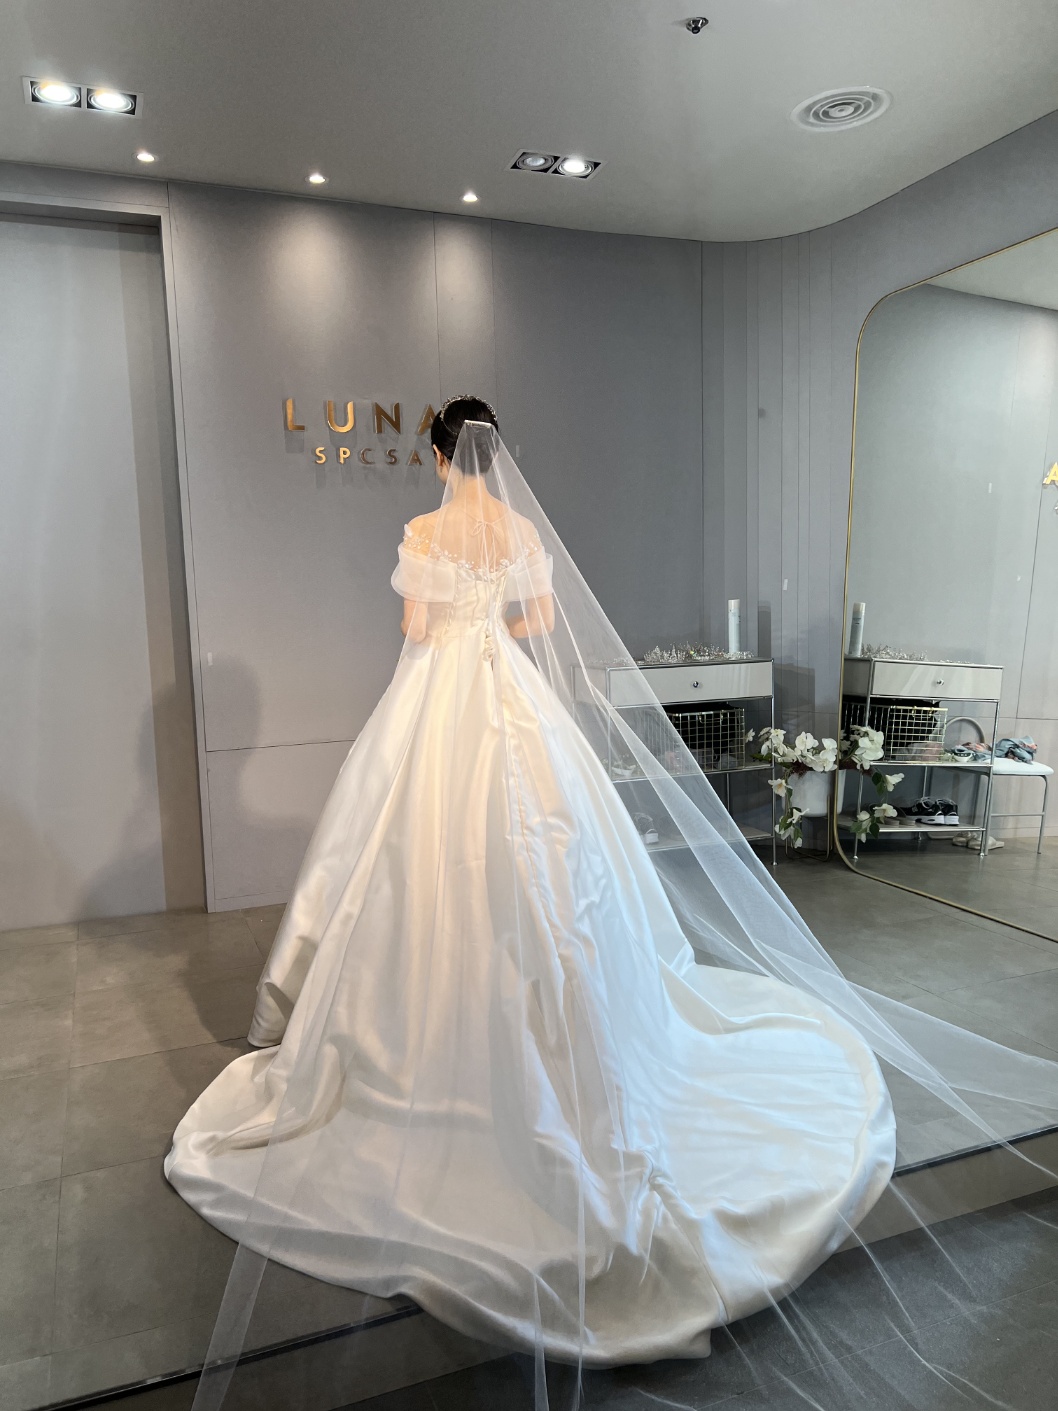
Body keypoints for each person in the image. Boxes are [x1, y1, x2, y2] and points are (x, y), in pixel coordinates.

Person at [166, 398, 1057, 1407]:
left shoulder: (422, 531)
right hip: (512, 703)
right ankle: (563, 1020)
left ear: (438, 455)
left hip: (437, 705)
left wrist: (453, 628)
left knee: (414, 856)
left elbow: (415, 628)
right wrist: (494, 622)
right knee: (549, 865)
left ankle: (418, 1029)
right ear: (496, 455)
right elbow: (539, 624)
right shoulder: (519, 529)